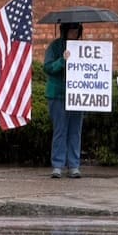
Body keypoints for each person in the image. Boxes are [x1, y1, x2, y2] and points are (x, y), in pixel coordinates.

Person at [44, 22, 85, 179]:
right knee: (60, 130)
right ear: (65, 31)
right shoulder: (55, 46)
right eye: (71, 30)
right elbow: (48, 68)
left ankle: (74, 165)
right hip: (58, 94)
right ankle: (58, 165)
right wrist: (62, 60)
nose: (74, 33)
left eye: (76, 30)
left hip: (78, 94)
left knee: (75, 130)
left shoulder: (82, 48)